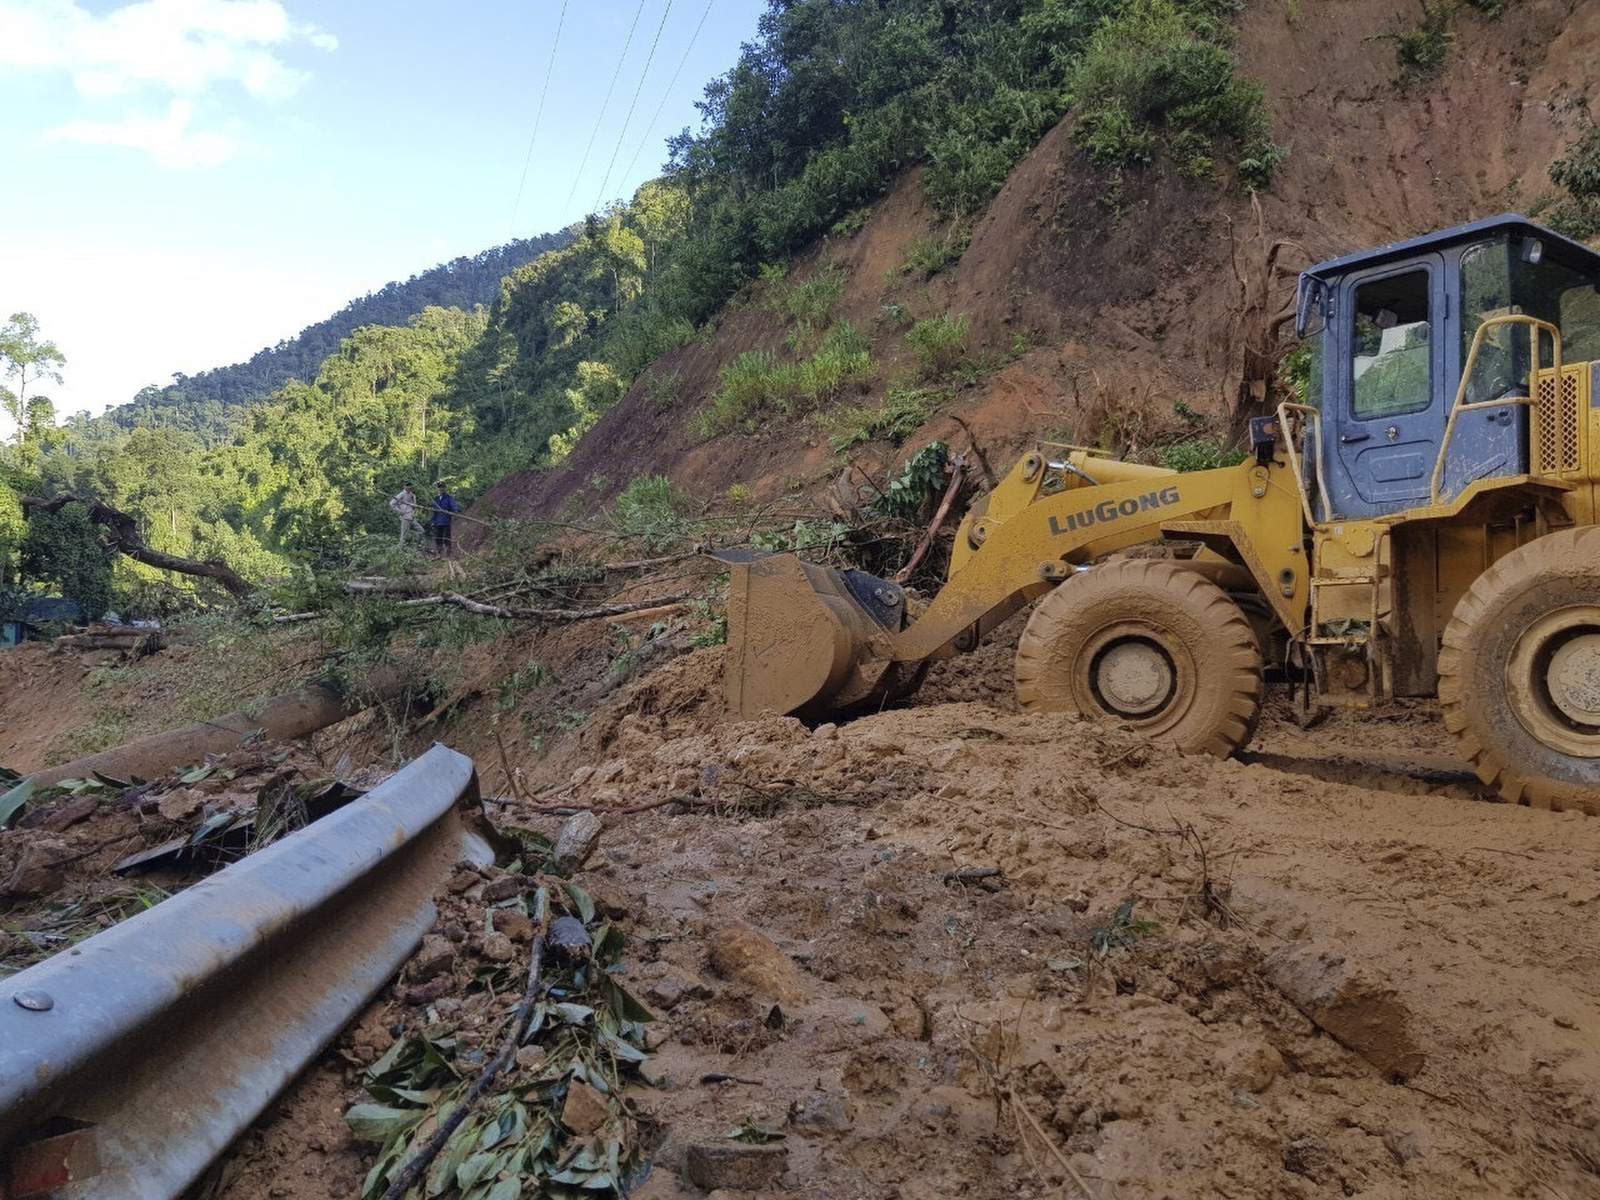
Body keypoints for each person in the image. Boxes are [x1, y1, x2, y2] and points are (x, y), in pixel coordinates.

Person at [430, 482, 460, 557]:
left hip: (446, 521)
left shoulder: (449, 497)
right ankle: (439, 553)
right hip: (437, 521)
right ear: (438, 489)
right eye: (439, 487)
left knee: (447, 537)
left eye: (442, 487)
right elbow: (434, 511)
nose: (441, 489)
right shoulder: (436, 498)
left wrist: (455, 511)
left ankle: (448, 554)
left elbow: (454, 506)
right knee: (438, 537)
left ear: (445, 488)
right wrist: (433, 521)